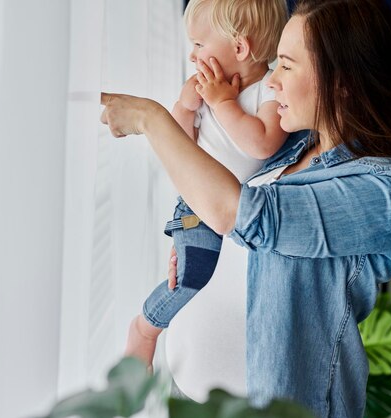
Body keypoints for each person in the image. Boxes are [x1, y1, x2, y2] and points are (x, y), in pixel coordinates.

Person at [101, 0, 391, 416]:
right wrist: (195, 240)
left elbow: (246, 215)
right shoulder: (292, 149)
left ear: (342, 82)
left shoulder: (390, 192)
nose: (272, 81)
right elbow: (225, 220)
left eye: (285, 65)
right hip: (188, 392)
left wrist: (151, 119)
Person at [124, 0, 289, 368]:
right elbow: (180, 146)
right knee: (191, 275)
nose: (192, 53)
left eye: (199, 44)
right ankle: (146, 328)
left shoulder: (270, 91)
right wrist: (184, 108)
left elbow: (261, 142)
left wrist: (224, 102)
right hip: (197, 205)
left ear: (240, 48)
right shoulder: (201, 90)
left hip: (238, 216)